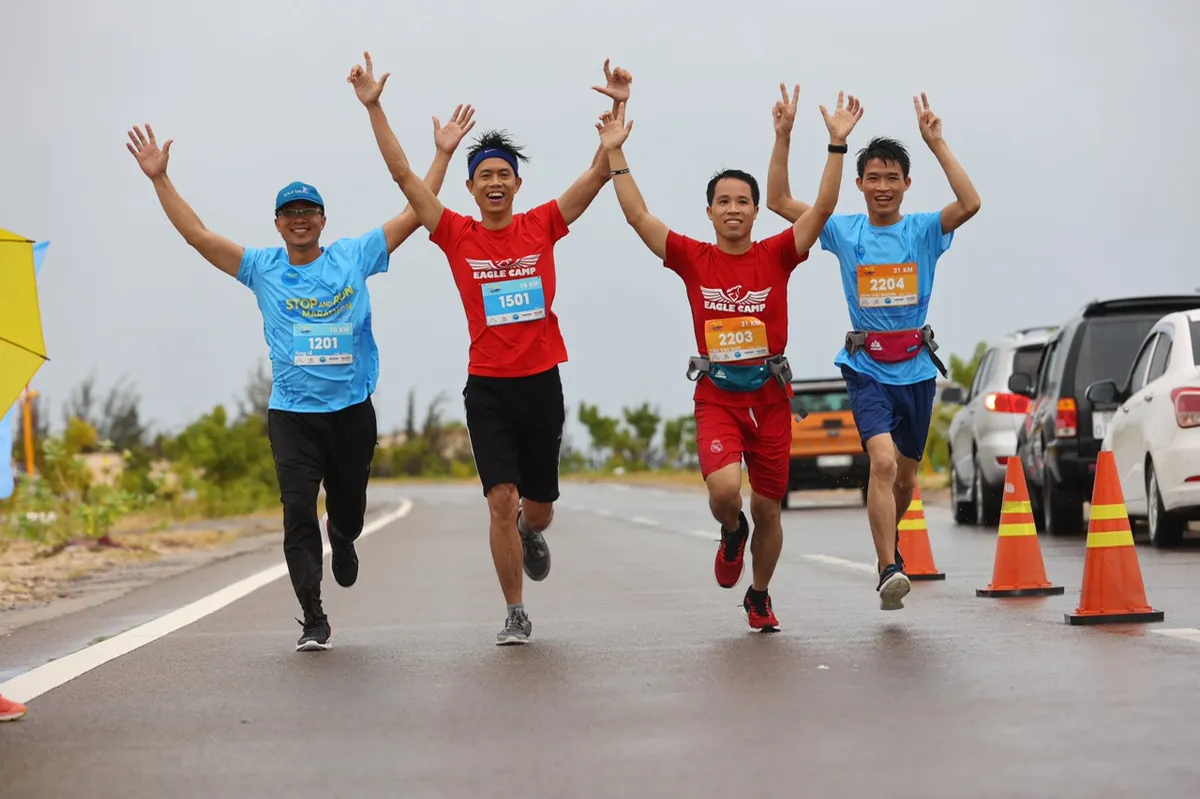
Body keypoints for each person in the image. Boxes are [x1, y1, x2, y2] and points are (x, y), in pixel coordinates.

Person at [125, 102, 478, 652]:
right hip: (293, 415)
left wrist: (442, 153)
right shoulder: (261, 267)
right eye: (289, 212)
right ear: (277, 223)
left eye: (308, 210)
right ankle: (313, 615)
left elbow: (416, 212)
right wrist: (161, 178)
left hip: (352, 412)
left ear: (322, 219)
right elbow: (197, 235)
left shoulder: (353, 257)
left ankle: (345, 534)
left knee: (349, 511)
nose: (299, 219)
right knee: (296, 511)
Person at [348, 52, 632, 645]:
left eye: (504, 174)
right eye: (485, 176)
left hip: (541, 382)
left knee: (537, 508)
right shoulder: (456, 234)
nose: (496, 182)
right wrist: (378, 108)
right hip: (489, 388)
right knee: (500, 499)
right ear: (472, 187)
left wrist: (617, 107)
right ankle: (515, 610)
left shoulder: (543, 223)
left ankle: (533, 530)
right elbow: (405, 179)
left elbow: (599, 174)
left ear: (516, 184)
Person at [595, 86, 864, 631]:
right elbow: (638, 216)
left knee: (769, 510)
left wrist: (829, 144)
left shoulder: (779, 254)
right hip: (717, 395)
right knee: (725, 493)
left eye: (743, 201)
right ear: (711, 211)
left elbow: (825, 208)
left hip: (769, 397)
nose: (734, 209)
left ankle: (759, 594)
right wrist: (615, 152)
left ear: (755, 211)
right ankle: (730, 530)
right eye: (724, 202)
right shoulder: (694, 259)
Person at [766, 90, 981, 610]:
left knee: (905, 477)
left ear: (906, 184)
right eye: (873, 178)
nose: (882, 187)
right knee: (880, 461)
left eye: (892, 178)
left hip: (916, 370)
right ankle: (887, 567)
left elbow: (971, 203)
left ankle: (892, 541)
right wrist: (787, 135)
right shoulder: (843, 229)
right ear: (859, 184)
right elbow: (776, 201)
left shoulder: (924, 229)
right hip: (866, 367)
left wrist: (937, 141)